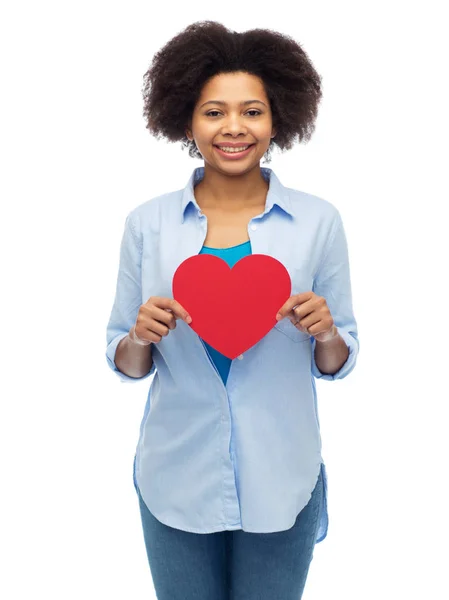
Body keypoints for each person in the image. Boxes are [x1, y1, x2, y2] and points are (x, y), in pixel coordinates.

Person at [105, 20, 360, 600]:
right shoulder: (148, 224)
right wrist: (139, 336)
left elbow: (339, 357)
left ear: (277, 120)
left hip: (284, 472)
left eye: (252, 111)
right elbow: (124, 359)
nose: (234, 128)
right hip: (175, 473)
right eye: (213, 112)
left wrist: (325, 333)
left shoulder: (319, 222)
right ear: (186, 121)